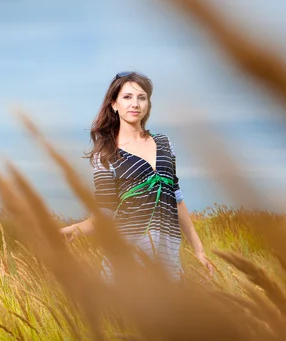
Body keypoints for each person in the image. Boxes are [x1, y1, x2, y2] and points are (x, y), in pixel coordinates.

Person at [60, 71, 214, 282]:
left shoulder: (164, 143)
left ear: (148, 104)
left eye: (141, 98)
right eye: (127, 97)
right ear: (114, 104)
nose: (135, 104)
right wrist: (74, 230)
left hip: (167, 262)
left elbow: (176, 198)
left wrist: (198, 250)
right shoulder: (106, 155)